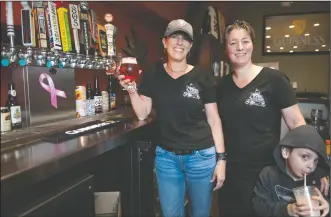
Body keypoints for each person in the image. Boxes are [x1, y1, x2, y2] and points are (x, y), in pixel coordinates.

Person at [216, 20, 329, 217]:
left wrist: (317, 168)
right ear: (226, 48)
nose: (240, 47)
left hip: (265, 171)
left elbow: (297, 125)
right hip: (231, 171)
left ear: (253, 44)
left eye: (245, 41)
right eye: (233, 43)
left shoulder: (274, 80)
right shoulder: (222, 86)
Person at [118, 19, 226, 217]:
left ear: (190, 46)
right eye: (174, 37)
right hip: (167, 158)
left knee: (200, 213)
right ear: (164, 42)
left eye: (185, 39)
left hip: (201, 157)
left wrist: (221, 160)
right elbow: (143, 112)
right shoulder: (153, 73)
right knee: (170, 214)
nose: (179, 42)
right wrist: (132, 91)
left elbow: (214, 119)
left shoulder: (203, 76)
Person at [252, 125, 330, 217]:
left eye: (315, 160)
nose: (311, 165)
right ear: (286, 152)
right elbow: (258, 206)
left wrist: (327, 207)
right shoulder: (269, 175)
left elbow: (325, 204)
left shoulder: (318, 181)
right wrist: (287, 210)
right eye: (305, 157)